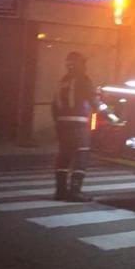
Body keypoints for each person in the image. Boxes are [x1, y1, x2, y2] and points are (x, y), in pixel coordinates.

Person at [51, 51, 100, 202]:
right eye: (83, 62)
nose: (85, 65)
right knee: (81, 155)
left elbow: (53, 105)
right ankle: (75, 191)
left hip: (62, 125)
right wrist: (113, 116)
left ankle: (60, 191)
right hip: (78, 125)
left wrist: (58, 123)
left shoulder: (62, 81)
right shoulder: (83, 80)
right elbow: (94, 101)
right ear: (78, 64)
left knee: (64, 156)